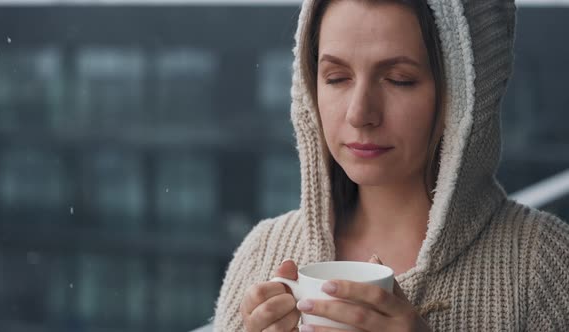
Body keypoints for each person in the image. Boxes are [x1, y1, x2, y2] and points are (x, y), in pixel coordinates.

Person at [214, 0, 569, 331]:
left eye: (399, 79)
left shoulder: (546, 268)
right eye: (336, 77)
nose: (359, 114)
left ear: (466, 94)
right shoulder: (262, 255)